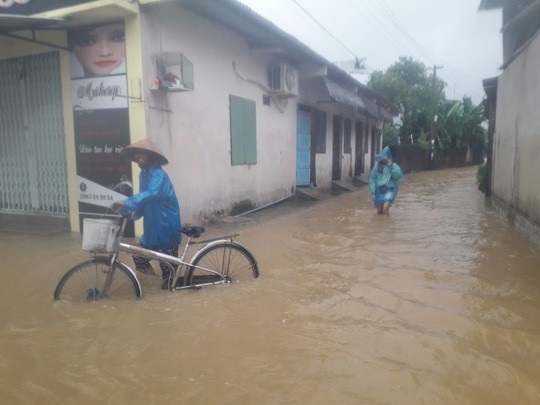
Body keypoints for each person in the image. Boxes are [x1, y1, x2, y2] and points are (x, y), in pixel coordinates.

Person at [112, 139, 181, 289]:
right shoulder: (143, 175)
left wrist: (127, 203)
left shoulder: (159, 175)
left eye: (142, 153)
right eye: (136, 153)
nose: (138, 156)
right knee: (139, 257)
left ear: (151, 156)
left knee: (169, 275)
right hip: (151, 229)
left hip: (166, 228)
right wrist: (132, 213)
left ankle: (170, 295)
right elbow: (144, 200)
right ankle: (156, 285)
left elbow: (152, 194)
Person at [369, 146, 403, 216]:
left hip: (389, 189)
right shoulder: (376, 167)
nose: (383, 159)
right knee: (379, 211)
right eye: (382, 157)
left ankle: (386, 223)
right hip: (379, 190)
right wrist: (373, 193)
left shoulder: (394, 166)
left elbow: (398, 176)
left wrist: (392, 167)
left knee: (385, 209)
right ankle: (380, 225)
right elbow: (372, 179)